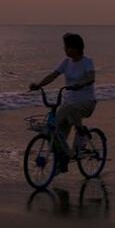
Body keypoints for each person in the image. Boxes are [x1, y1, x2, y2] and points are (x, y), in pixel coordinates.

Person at [28, 32, 96, 170]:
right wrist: (38, 85)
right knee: (56, 134)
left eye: (67, 47)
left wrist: (81, 84)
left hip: (86, 103)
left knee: (69, 109)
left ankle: (82, 134)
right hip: (68, 104)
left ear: (76, 48)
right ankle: (63, 160)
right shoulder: (66, 62)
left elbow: (91, 77)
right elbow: (53, 75)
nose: (65, 49)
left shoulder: (87, 61)